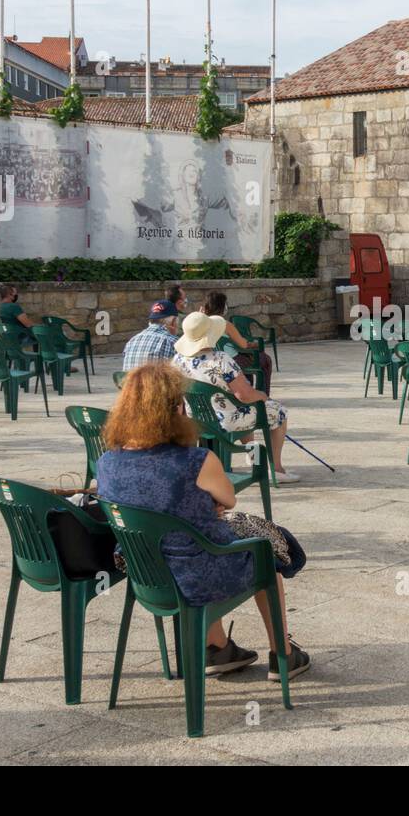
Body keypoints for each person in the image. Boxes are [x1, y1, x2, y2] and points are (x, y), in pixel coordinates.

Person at [96, 362, 310, 680]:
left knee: (196, 539)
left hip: (145, 572)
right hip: (196, 575)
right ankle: (283, 653)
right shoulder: (197, 460)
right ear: (176, 408)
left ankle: (218, 647)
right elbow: (228, 499)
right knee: (263, 555)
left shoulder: (106, 462)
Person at [174, 312, 299, 483]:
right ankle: (276, 469)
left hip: (196, 418)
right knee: (278, 412)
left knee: (239, 409)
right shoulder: (220, 359)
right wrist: (262, 396)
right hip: (226, 421)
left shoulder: (178, 360)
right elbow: (245, 395)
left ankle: (253, 455)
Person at [200, 290, 274, 389]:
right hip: (232, 360)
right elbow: (243, 345)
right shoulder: (225, 324)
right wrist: (256, 344)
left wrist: (200, 315)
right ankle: (263, 393)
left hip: (210, 359)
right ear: (222, 307)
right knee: (265, 359)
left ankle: (248, 386)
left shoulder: (201, 323)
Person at [121, 299, 180, 371]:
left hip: (131, 382)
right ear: (173, 322)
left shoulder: (132, 340)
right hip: (155, 382)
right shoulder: (173, 342)